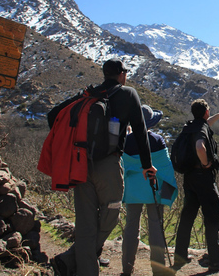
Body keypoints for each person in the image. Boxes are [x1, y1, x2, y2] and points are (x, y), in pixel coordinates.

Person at [51, 58, 157, 276]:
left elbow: (53, 116)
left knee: (85, 224)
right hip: (108, 165)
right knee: (111, 214)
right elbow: (139, 130)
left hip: (80, 165)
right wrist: (147, 166)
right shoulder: (128, 94)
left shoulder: (89, 94)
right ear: (122, 74)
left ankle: (77, 266)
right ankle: (69, 259)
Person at [173, 99, 219, 272]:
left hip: (190, 178)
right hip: (203, 178)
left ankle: (180, 255)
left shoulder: (191, 126)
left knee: (187, 216)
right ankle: (216, 260)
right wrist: (206, 162)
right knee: (213, 217)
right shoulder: (201, 129)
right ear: (206, 111)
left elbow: (205, 124)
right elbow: (200, 146)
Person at [121, 105, 178, 276]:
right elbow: (166, 168)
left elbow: (123, 165)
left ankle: (127, 268)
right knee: (155, 227)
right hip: (154, 188)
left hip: (132, 190)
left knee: (131, 227)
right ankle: (158, 269)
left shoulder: (125, 141)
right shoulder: (157, 140)